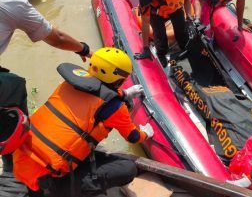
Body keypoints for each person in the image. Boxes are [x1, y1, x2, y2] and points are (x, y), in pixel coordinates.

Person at [10, 47, 154, 197]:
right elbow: (133, 137)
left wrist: (125, 94)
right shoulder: (115, 107)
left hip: (21, 161)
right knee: (128, 168)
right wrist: (146, 133)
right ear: (119, 80)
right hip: (50, 182)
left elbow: (96, 92)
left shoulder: (67, 84)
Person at [0, 0, 92, 173]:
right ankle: (15, 166)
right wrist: (83, 49)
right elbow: (56, 37)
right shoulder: (12, 1)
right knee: (12, 86)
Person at [138, 0, 192, 67]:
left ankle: (185, 48)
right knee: (159, 35)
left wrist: (189, 17)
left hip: (175, 9)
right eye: (172, 4)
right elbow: (145, 22)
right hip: (156, 11)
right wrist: (145, 48)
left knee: (182, 30)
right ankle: (161, 54)